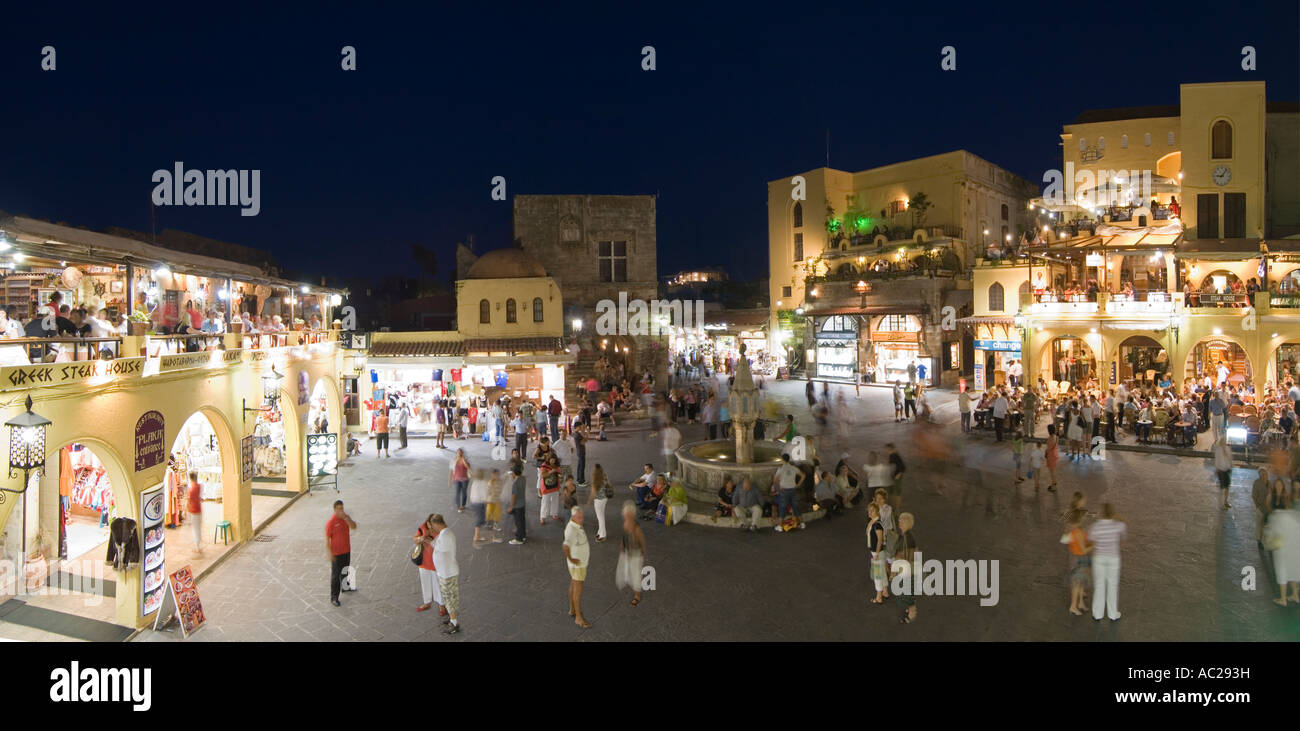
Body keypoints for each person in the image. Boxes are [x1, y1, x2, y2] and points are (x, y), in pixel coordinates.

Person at [1087, 503, 1126, 621]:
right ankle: (1112, 614)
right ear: (1113, 513)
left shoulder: (1095, 527)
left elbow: (1090, 540)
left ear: (1101, 513)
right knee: (1113, 586)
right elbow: (1123, 536)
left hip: (1099, 558)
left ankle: (1097, 613)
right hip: (1113, 558)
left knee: (1099, 585)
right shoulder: (1119, 526)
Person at [1263, 487, 1300, 606]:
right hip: (1295, 549)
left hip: (1282, 550)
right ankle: (1295, 595)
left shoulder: (1276, 516)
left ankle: (1283, 599)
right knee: (1294, 572)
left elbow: (1269, 534)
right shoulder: (1295, 515)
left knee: (1282, 572)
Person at [429, 515, 460, 633]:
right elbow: (433, 544)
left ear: (437, 524)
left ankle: (454, 623)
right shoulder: (443, 534)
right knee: (447, 597)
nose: (433, 529)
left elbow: (438, 547)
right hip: (444, 572)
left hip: (448, 572)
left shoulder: (446, 535)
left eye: (433, 526)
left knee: (450, 597)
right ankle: (452, 619)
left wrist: (432, 536)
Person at [562, 506, 591, 628]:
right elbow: (565, 546)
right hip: (578, 565)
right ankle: (578, 617)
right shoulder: (571, 530)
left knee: (573, 585)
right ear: (573, 517)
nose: (582, 519)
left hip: (578, 564)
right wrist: (571, 559)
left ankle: (572, 609)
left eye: (582, 517)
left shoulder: (575, 524)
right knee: (577, 590)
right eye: (579, 517)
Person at [326, 500, 357, 607]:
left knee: (346, 569)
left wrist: (347, 519)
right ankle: (334, 597)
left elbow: (354, 527)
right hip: (336, 553)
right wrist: (329, 553)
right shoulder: (331, 523)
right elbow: (327, 539)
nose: (341, 511)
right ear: (334, 510)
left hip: (346, 550)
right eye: (339, 509)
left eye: (342, 508)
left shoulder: (346, 518)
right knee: (335, 576)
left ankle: (345, 587)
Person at [616, 502, 647, 606]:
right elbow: (624, 537)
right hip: (627, 553)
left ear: (632, 515)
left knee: (635, 575)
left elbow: (641, 541)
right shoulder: (625, 523)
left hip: (635, 554)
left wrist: (642, 552)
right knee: (628, 573)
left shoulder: (636, 527)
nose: (626, 516)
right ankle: (634, 587)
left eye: (628, 514)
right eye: (625, 514)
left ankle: (637, 595)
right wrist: (622, 547)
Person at [1062, 508, 1093, 616]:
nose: (1085, 518)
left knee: (1080, 583)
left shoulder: (1074, 531)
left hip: (1078, 559)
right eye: (1084, 517)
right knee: (1077, 584)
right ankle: (1073, 606)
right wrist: (1093, 545)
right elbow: (1083, 549)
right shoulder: (1078, 532)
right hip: (1080, 560)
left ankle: (1080, 603)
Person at [413, 514, 444, 616]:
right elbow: (415, 539)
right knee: (425, 582)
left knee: (437, 584)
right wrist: (421, 539)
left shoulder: (442, 531)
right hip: (424, 561)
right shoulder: (423, 528)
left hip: (436, 562)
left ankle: (441, 605)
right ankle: (427, 602)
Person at [896, 512, 919, 624]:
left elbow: (905, 556)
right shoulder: (907, 535)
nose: (900, 522)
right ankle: (910, 610)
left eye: (902, 521)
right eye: (900, 520)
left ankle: (911, 614)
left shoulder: (907, 538)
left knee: (908, 594)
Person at [773, 453, 805, 531]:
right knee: (795, 506)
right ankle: (802, 523)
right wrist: (798, 484)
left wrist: (779, 487)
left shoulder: (780, 469)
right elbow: (803, 475)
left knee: (782, 507)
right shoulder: (794, 468)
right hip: (793, 489)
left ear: (782, 460)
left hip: (784, 490)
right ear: (789, 459)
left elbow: (775, 480)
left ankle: (780, 526)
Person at [866, 502, 888, 604]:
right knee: (882, 572)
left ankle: (879, 597)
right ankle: (885, 591)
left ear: (877, 511)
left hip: (877, 552)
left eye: (872, 510)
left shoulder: (877, 524)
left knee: (877, 575)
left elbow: (879, 540)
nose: (870, 512)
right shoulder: (873, 522)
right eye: (869, 510)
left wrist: (877, 553)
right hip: (877, 552)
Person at [587, 464, 614, 541]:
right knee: (601, 516)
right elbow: (609, 484)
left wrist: (588, 502)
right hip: (604, 498)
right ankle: (600, 532)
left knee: (600, 517)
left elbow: (593, 493)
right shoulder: (604, 475)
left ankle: (603, 535)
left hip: (598, 500)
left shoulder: (595, 480)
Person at [507, 464, 528, 545]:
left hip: (517, 506)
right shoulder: (523, 479)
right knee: (522, 521)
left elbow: (513, 496)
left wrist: (511, 507)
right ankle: (523, 535)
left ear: (514, 473)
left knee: (518, 522)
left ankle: (519, 539)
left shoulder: (515, 484)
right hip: (522, 504)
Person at [1212, 437, 1233, 510]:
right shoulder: (1218, 450)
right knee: (1221, 488)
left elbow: (1230, 458)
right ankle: (1221, 504)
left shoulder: (1227, 449)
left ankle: (1225, 501)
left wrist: (1230, 466)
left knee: (1227, 487)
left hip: (1227, 469)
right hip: (1221, 470)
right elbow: (1217, 460)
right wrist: (1217, 469)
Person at [186, 470, 204, 553]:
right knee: (198, 528)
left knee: (195, 529)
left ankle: (197, 546)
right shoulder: (200, 486)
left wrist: (186, 511)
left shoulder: (191, 489)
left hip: (193, 510)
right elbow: (201, 497)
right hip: (199, 509)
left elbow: (188, 501)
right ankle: (198, 543)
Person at [885, 443, 905, 511]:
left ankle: (896, 508)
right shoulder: (891, 455)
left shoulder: (895, 456)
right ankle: (892, 506)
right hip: (893, 476)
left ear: (889, 449)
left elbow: (903, 468)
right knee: (892, 492)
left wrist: (898, 475)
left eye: (887, 449)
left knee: (897, 493)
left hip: (897, 477)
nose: (886, 451)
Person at [1045, 424, 1060, 492]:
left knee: (1052, 471)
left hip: (1051, 455)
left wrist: (1045, 453)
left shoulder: (1050, 438)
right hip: (1055, 454)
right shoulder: (1056, 437)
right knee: (1053, 470)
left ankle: (1054, 485)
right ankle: (1054, 482)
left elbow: (1049, 448)